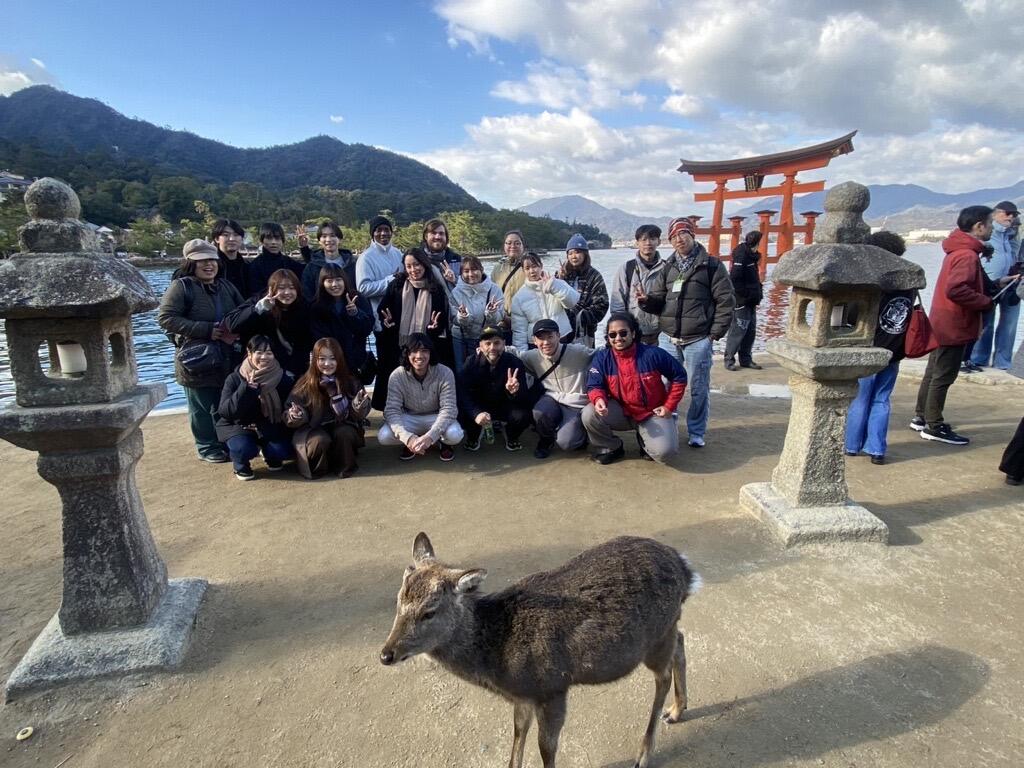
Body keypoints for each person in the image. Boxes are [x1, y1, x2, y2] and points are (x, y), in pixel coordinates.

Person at [637, 217, 734, 448]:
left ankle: (696, 431)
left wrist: (714, 334)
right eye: (674, 236)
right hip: (669, 337)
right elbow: (660, 302)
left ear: (692, 235)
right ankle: (669, 424)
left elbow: (726, 301)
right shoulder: (668, 267)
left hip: (698, 338)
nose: (679, 240)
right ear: (670, 241)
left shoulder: (711, 265)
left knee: (698, 387)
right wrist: (646, 301)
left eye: (683, 234)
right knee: (666, 386)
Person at [911, 206, 1000, 445]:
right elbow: (957, 289)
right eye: (990, 224)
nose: (991, 228)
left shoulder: (958, 251)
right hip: (954, 323)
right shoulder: (967, 255)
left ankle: (921, 416)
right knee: (944, 375)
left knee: (933, 372)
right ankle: (934, 424)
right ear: (979, 226)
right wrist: (985, 302)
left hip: (942, 320)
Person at [157, 238, 245, 463]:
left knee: (222, 400)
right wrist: (206, 330)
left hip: (226, 355)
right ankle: (206, 446)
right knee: (201, 406)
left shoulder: (225, 286)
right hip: (197, 358)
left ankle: (224, 441)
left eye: (212, 260)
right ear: (190, 263)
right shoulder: (181, 287)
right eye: (202, 261)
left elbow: (242, 310)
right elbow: (165, 318)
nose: (209, 265)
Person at [844, 231, 914, 465]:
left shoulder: (869, 280)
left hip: (867, 348)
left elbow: (852, 315)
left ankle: (852, 445)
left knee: (860, 398)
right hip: (893, 349)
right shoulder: (909, 282)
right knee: (881, 399)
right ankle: (876, 449)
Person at [582, 313, 687, 465]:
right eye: (612, 334)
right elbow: (594, 385)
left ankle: (646, 441)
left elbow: (679, 376)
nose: (618, 338)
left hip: (652, 412)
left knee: (665, 454)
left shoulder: (653, 354)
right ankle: (611, 447)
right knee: (589, 413)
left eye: (623, 333)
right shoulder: (602, 358)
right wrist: (598, 399)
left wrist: (669, 406)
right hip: (621, 411)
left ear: (633, 333)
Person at [374, 247, 455, 411]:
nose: (413, 270)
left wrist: (434, 328)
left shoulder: (435, 288)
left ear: (424, 264)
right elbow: (383, 311)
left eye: (417, 264)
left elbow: (441, 319)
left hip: (427, 344)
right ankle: (395, 413)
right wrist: (387, 323)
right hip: (400, 344)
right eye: (409, 266)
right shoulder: (396, 285)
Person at [284, 337, 370, 478]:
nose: (327, 363)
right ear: (315, 360)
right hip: (313, 429)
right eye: (322, 359)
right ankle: (320, 469)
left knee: (344, 433)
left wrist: (359, 405)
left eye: (332, 359)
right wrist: (296, 415)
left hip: (342, 424)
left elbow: (360, 413)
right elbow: (289, 412)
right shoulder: (305, 383)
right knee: (320, 440)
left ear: (340, 359)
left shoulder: (349, 381)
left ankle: (345, 467)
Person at [216, 335, 296, 480]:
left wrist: (294, 412)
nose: (264, 357)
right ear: (249, 353)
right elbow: (226, 412)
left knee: (283, 450)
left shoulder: (282, 377)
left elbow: (289, 405)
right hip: (239, 425)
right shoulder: (234, 378)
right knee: (243, 448)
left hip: (267, 425)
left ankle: (269, 454)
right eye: (259, 352)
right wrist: (245, 390)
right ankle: (240, 465)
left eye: (269, 353)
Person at [378, 333, 463, 461]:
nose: (419, 356)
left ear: (430, 353)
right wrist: (408, 438)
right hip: (410, 417)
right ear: (407, 353)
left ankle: (442, 443)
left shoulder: (445, 372)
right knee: (384, 436)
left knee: (455, 435)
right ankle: (412, 442)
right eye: (414, 351)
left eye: (424, 351)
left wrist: (430, 437)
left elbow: (449, 409)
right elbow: (391, 410)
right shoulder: (397, 375)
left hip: (435, 416)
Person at [519, 319, 594, 458]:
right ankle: (546, 440)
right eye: (541, 338)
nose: (546, 342)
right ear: (534, 341)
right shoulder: (532, 356)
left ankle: (582, 434)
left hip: (575, 403)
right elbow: (514, 354)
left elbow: (602, 354)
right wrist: (485, 349)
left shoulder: (578, 352)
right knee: (539, 411)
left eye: (550, 336)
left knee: (567, 443)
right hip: (552, 398)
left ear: (558, 336)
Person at [224, 268, 313, 379]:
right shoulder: (260, 300)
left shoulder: (304, 306)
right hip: (263, 365)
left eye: (292, 288)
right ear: (272, 289)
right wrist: (260, 308)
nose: (287, 292)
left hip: (295, 367)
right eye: (281, 288)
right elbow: (232, 324)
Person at [457, 326, 531, 452]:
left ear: (504, 344)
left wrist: (513, 392)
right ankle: (474, 436)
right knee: (461, 411)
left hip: (505, 405)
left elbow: (524, 397)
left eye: (497, 343)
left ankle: (511, 435)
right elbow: (463, 392)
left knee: (523, 415)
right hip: (481, 406)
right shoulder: (471, 362)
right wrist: (476, 413)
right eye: (488, 344)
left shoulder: (515, 363)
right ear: (480, 346)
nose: (492, 348)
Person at [968, 201, 1021, 370]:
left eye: (1015, 214)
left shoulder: (1012, 234)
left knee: (1010, 324)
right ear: (996, 213)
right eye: (1007, 213)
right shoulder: (987, 234)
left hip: (1012, 283)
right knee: (986, 323)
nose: (1011, 217)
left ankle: (1003, 363)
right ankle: (979, 359)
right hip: (988, 285)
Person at [310, 263, 374, 379]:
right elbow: (319, 337)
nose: (334, 285)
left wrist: (355, 314)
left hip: (356, 361)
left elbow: (367, 329)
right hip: (330, 364)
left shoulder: (357, 298)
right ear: (322, 283)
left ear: (344, 280)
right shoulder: (316, 307)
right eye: (329, 281)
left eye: (338, 280)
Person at [356, 215, 404, 369]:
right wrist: (390, 281)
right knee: (386, 365)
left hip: (402, 318)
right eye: (379, 230)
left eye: (387, 230)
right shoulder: (365, 258)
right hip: (381, 320)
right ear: (373, 234)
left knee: (402, 363)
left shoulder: (398, 254)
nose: (383, 233)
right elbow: (363, 289)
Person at [610, 224, 667, 345]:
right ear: (637, 243)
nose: (648, 243)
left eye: (652, 239)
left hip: (662, 334)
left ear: (659, 241)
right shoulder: (627, 268)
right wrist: (622, 331)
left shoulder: (667, 268)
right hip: (634, 333)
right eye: (644, 239)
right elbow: (617, 303)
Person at [511, 252, 579, 349]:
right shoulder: (519, 297)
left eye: (534, 266)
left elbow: (572, 302)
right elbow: (519, 330)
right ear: (523, 271)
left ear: (541, 266)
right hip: (536, 344)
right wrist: (522, 354)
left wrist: (554, 287)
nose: (532, 271)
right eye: (527, 268)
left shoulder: (556, 283)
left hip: (561, 338)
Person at [450, 255, 504, 369]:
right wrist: (463, 316)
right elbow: (453, 319)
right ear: (461, 273)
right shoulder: (456, 292)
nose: (471, 274)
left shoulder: (494, 289)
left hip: (486, 337)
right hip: (461, 338)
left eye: (474, 269)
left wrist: (492, 312)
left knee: (485, 370)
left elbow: (499, 317)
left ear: (481, 270)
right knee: (462, 371)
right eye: (466, 271)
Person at [723, 231, 764, 371]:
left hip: (752, 300)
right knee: (738, 330)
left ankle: (746, 359)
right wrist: (745, 295)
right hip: (742, 301)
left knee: (750, 331)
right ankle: (729, 360)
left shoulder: (752, 257)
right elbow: (734, 278)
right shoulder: (742, 255)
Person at [559, 234, 609, 349]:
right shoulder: (561, 275)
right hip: (561, 332)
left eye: (577, 252)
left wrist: (580, 317)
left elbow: (602, 305)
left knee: (584, 362)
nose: (574, 256)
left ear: (585, 254)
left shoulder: (594, 276)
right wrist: (559, 281)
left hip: (585, 331)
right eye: (570, 253)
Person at [300, 220, 356, 302]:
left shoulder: (351, 263)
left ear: (339, 239)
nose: (328, 240)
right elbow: (307, 293)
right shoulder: (313, 266)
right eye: (324, 236)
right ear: (319, 241)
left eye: (332, 235)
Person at [248, 222, 303, 298]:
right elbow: (255, 293)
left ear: (282, 241)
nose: (273, 242)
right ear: (261, 240)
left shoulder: (288, 262)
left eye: (277, 238)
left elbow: (309, 272)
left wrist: (304, 248)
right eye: (269, 238)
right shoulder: (255, 266)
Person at [491, 230, 528, 342]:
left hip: (524, 322)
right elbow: (491, 294)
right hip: (502, 322)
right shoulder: (498, 268)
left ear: (523, 245)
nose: (513, 246)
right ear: (504, 246)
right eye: (509, 243)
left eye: (517, 243)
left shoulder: (529, 266)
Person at [210, 218, 254, 298]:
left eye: (236, 235)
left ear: (242, 239)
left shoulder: (248, 266)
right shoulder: (211, 266)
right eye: (226, 235)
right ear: (217, 239)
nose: (232, 239)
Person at [421, 218, 461, 292]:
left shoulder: (456, 259)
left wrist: (454, 280)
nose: (437, 237)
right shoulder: (417, 259)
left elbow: (468, 287)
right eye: (433, 233)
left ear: (446, 237)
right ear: (426, 236)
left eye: (441, 233)